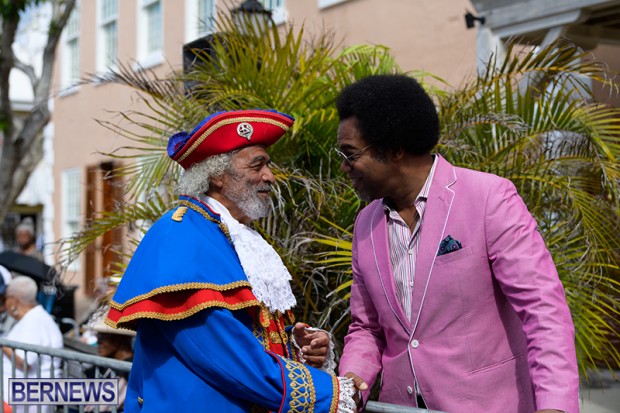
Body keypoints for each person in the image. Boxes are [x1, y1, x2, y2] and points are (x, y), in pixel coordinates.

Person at [334, 74, 579, 413]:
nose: (344, 167)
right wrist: (349, 388)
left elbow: (543, 310)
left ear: (394, 148)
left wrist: (555, 405)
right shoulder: (366, 224)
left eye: (350, 154)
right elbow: (367, 328)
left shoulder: (488, 198)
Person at [106, 109, 356, 413]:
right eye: (257, 165)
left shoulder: (236, 236)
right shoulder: (181, 234)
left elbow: (247, 332)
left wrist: (297, 346)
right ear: (217, 175)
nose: (270, 176)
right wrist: (328, 393)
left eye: (268, 165)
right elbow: (221, 352)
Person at [1, 276, 63, 412]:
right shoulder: (34, 318)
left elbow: (24, 361)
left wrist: (2, 344)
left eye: (6, 298)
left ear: (13, 300)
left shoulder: (34, 321)